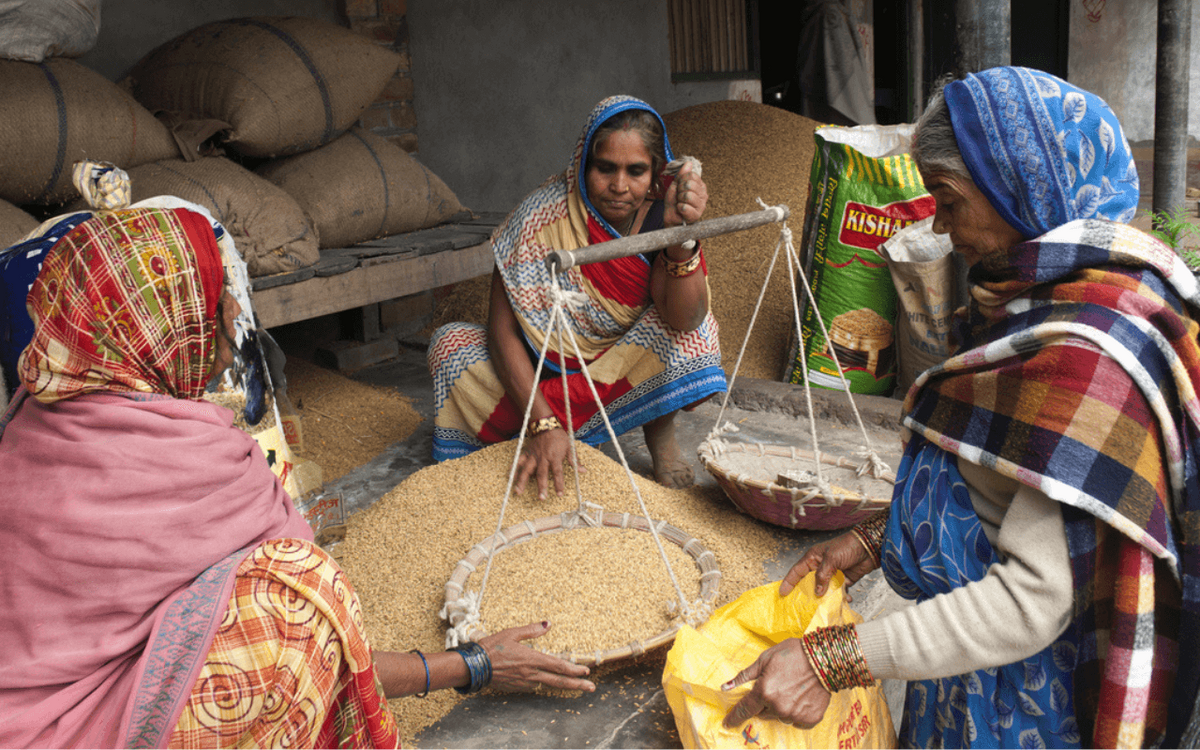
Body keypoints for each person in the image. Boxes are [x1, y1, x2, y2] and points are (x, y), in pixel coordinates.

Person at [0, 196, 593, 748]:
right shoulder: (183, 456)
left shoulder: (28, 422)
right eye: (211, 301)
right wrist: (472, 664)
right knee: (298, 596)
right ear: (157, 329)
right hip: (77, 731)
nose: (235, 313)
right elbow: (324, 631)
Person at [720, 67, 1200, 748]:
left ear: (1020, 191)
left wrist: (833, 661)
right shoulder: (1035, 296)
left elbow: (1033, 597)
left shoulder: (1088, 352)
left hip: (1019, 698)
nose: (939, 227)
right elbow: (995, 480)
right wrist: (878, 539)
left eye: (948, 200)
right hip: (963, 661)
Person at [428, 95, 727, 499]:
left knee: (697, 333)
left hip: (616, 367)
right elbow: (502, 332)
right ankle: (544, 427)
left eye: (636, 171)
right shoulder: (539, 218)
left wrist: (680, 236)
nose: (619, 186)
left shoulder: (663, 215)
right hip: (543, 367)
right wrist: (542, 423)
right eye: (605, 168)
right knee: (450, 346)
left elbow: (685, 318)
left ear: (657, 175)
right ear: (582, 164)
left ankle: (659, 429)